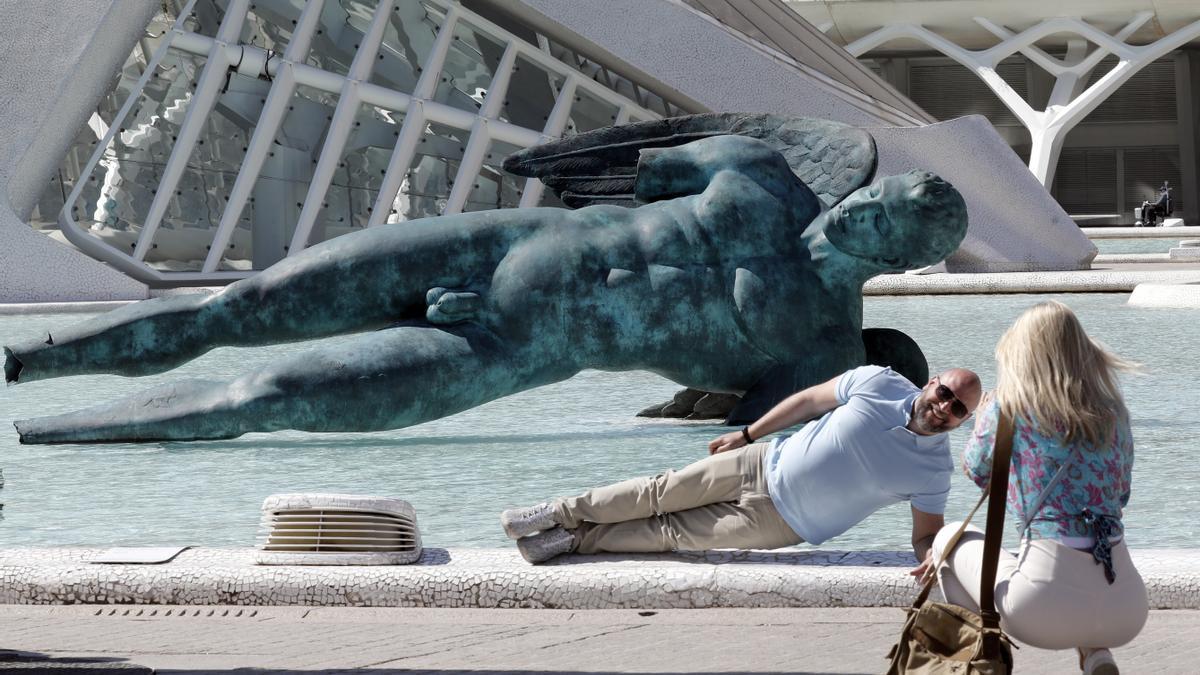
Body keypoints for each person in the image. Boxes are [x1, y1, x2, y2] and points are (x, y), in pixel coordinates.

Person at [7, 134, 968, 444]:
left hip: (510, 351)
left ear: (907, 263)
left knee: (271, 397)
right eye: (872, 199)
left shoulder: (819, 344)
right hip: (496, 241)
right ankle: (20, 364)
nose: (857, 216)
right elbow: (638, 170)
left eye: (883, 228)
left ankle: (52, 435)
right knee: (236, 307)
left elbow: (736, 441)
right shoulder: (759, 172)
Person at [500, 364, 982, 563]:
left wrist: (940, 558)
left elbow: (923, 535)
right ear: (931, 382)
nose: (945, 408)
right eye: (945, 393)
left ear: (963, 421)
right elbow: (811, 400)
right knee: (658, 491)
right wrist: (748, 433)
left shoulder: (933, 471)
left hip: (781, 523)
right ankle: (557, 511)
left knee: (672, 534)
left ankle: (574, 539)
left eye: (959, 409)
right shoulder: (878, 381)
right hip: (760, 461)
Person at [925, 301, 1147, 675]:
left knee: (947, 538)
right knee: (1085, 557)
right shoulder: (1113, 415)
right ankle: (1096, 654)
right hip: (1126, 607)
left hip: (1042, 608)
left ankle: (984, 658)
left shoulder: (1008, 408)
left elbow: (977, 470)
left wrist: (986, 418)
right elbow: (1121, 495)